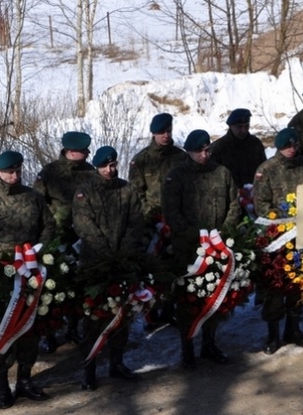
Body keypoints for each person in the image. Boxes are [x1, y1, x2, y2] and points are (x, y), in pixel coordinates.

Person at [0, 150, 56, 409]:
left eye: (18, 171)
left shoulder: (34, 197)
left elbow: (49, 226)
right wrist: (7, 257)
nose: (14, 175)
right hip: (1, 274)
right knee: (2, 329)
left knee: (30, 328)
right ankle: (2, 385)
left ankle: (25, 381)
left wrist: (37, 251)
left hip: (31, 271)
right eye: (9, 172)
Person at [162, 129, 242, 369]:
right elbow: (171, 212)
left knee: (215, 298)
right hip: (188, 249)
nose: (204, 155)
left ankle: (209, 343)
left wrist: (223, 233)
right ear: (189, 151)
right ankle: (187, 349)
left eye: (207, 150)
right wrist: (193, 236)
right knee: (188, 300)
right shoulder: (176, 176)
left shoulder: (222, 173)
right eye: (199, 151)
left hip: (218, 246)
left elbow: (234, 204)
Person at [72, 146, 145, 391]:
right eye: (105, 166)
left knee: (122, 314)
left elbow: (136, 222)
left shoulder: (127, 189)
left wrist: (124, 250)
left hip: (124, 261)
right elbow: (84, 225)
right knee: (93, 318)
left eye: (113, 165)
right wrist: (105, 251)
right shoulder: (85, 191)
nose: (109, 170)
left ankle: (117, 363)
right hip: (95, 263)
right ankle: (89, 369)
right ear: (97, 166)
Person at [252, 128, 303, 354]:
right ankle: (273, 335)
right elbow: (261, 205)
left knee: (299, 283)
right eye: (287, 146)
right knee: (274, 286)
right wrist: (283, 220)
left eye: (294, 145)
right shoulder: (267, 170)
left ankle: (294, 328)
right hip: (276, 238)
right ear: (280, 147)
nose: (291, 149)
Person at [33, 131, 95, 351]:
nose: (88, 153)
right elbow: (37, 206)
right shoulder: (49, 173)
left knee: (78, 287)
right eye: (84, 150)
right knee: (53, 287)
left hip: (82, 239)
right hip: (56, 239)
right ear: (71, 151)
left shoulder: (90, 172)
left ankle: (73, 327)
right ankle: (49, 332)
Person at [128, 113, 186, 329]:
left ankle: (170, 310)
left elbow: (187, 189)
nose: (166, 135)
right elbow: (136, 194)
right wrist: (152, 216)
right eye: (161, 132)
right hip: (151, 225)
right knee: (152, 270)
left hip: (176, 222)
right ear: (153, 133)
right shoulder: (141, 160)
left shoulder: (180, 157)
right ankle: (150, 315)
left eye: (169, 131)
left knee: (175, 267)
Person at [209, 108, 266, 188]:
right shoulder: (219, 148)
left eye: (247, 126)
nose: (244, 130)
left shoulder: (255, 144)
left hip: (254, 193)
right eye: (239, 127)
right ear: (230, 126)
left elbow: (263, 170)